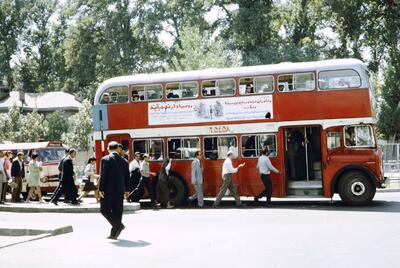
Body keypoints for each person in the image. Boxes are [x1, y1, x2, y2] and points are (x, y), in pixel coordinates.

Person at [99, 141, 129, 240]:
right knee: (117, 212)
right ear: (117, 149)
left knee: (104, 210)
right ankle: (114, 234)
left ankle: (119, 226)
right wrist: (127, 190)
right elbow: (127, 177)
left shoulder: (105, 159)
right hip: (120, 190)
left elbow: (103, 175)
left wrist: (101, 189)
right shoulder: (124, 160)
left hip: (108, 190)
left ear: (108, 148)